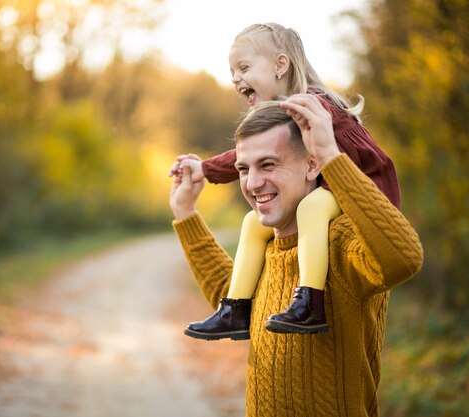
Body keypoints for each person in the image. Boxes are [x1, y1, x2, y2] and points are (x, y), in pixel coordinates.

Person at [169, 95, 423, 416]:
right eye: (244, 169)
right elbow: (230, 297)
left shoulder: (341, 241)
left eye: (269, 164)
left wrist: (332, 155)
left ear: (312, 165)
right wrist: (186, 213)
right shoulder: (265, 243)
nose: (252, 183)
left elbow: (403, 258)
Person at [169, 23, 401, 339]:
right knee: (253, 222)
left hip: (365, 189)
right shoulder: (289, 111)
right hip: (334, 187)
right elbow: (250, 154)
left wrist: (207, 169)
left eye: (244, 67)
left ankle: (309, 302)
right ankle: (235, 308)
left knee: (311, 208)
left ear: (280, 65)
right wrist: (205, 169)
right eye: (232, 71)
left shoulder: (310, 104)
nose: (235, 77)